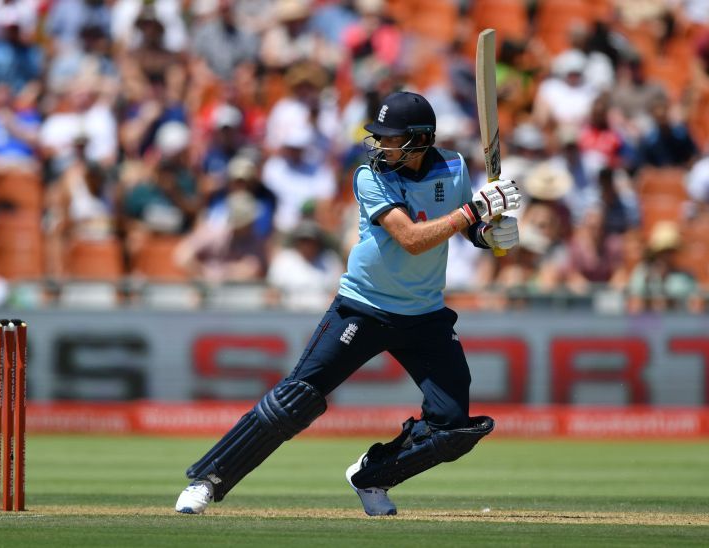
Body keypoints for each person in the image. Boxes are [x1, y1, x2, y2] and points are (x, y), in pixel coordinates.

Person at [174, 91, 522, 516]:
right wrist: (473, 213)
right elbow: (412, 239)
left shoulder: (453, 167)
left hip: (425, 314)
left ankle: (372, 476)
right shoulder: (369, 176)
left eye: (390, 139)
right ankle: (208, 480)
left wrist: (489, 235)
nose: (381, 146)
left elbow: (466, 227)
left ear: (420, 140)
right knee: (295, 400)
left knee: (452, 428)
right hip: (363, 307)